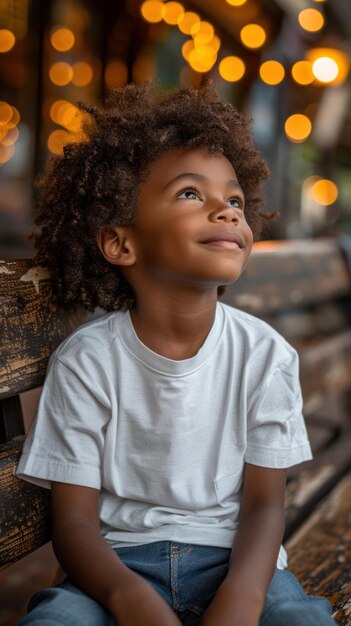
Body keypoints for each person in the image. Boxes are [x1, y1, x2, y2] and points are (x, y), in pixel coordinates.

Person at [16, 82, 336, 626]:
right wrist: (125, 598)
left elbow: (264, 506)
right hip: (115, 567)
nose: (227, 212)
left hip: (234, 562)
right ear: (122, 243)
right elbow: (73, 525)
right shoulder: (88, 361)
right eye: (192, 193)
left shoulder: (265, 356)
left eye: (235, 200)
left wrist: (244, 597)